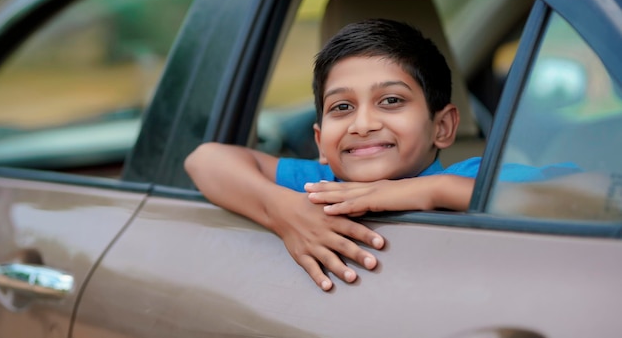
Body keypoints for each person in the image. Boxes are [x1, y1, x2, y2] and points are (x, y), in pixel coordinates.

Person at [184, 19, 578, 291]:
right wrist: (283, 212)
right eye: (342, 107)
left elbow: (583, 195)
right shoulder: (322, 191)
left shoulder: (470, 177)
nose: (363, 124)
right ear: (320, 141)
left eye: (391, 100)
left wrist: (431, 191)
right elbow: (204, 160)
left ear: (442, 127)